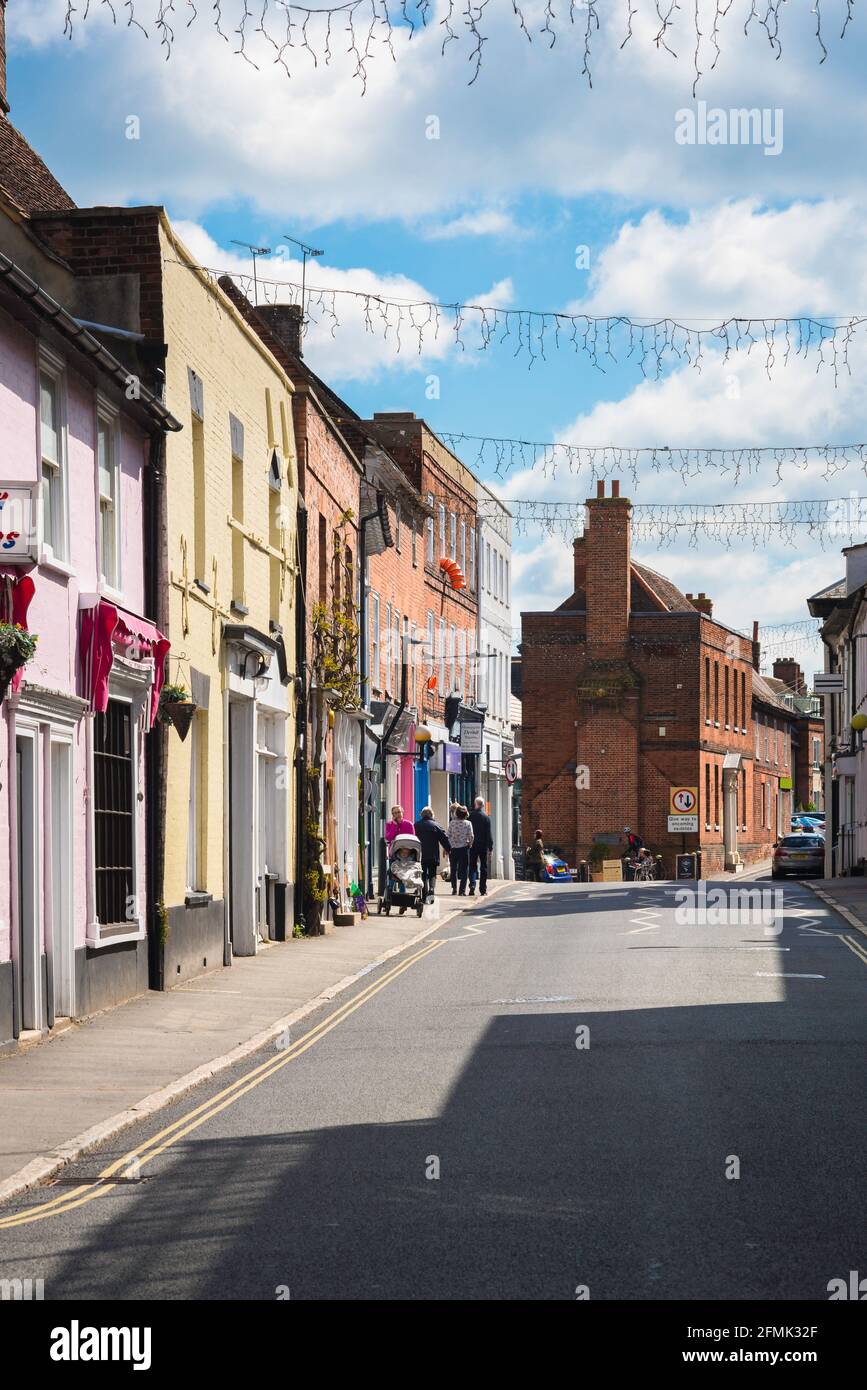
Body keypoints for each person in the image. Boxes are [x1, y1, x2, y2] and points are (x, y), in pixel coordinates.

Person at [413, 807, 451, 899]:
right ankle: (432, 889)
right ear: (432, 815)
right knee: (432, 873)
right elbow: (444, 838)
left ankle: (424, 893)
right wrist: (448, 849)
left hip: (420, 854)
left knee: (422, 874)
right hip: (432, 854)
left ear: (422, 815)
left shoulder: (416, 825)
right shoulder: (436, 825)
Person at [447, 804, 474, 896]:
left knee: (453, 869)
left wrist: (449, 846)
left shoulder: (452, 823)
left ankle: (454, 889)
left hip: (453, 849)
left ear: (457, 814)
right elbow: (471, 836)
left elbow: (448, 835)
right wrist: (470, 844)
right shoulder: (468, 823)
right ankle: (462, 891)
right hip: (464, 849)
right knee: (464, 869)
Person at [469, 795, 493, 896]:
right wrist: (490, 848)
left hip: (472, 845)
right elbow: (489, 834)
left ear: (475, 804)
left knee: (472, 866)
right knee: (483, 867)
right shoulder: (486, 818)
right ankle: (483, 889)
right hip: (483, 845)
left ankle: (472, 886)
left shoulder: (470, 816)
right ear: (482, 805)